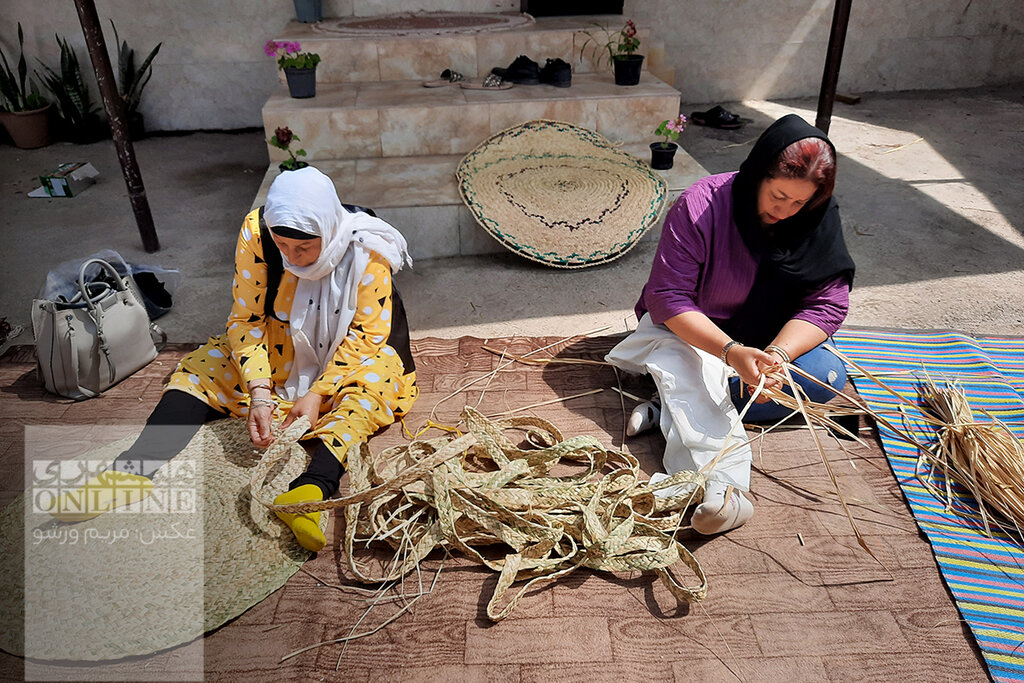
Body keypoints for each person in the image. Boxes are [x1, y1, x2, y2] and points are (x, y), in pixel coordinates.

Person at [50, 167, 419, 552]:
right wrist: (260, 390)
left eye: (304, 248)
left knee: (369, 390)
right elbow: (246, 320)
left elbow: (366, 335)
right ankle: (132, 470)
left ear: (327, 231)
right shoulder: (257, 233)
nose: (292, 258)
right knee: (201, 369)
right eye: (283, 246)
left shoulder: (368, 247)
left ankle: (311, 492)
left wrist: (320, 392)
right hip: (280, 342)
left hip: (352, 352)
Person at [606, 114, 855, 535]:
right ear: (758, 173)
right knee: (688, 363)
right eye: (778, 196)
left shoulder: (817, 217)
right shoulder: (703, 203)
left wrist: (776, 356)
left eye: (799, 203)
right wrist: (730, 352)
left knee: (825, 377)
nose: (785, 211)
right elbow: (667, 297)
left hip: (765, 343)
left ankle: (669, 402)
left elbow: (828, 304)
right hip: (695, 335)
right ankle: (726, 490)